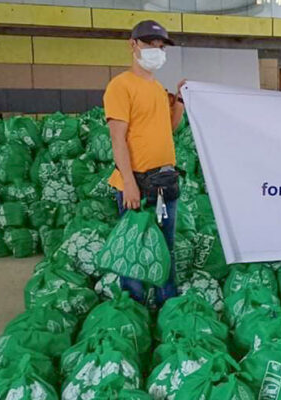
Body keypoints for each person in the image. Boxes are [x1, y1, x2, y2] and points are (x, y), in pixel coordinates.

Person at [103, 20, 186, 305]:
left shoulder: (158, 88)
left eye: (161, 47)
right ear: (133, 45)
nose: (156, 51)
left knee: (165, 246)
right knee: (133, 247)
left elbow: (169, 128)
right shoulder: (121, 86)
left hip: (164, 182)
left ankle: (167, 302)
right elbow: (118, 139)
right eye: (151, 44)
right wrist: (128, 183)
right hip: (136, 183)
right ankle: (134, 305)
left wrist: (180, 101)